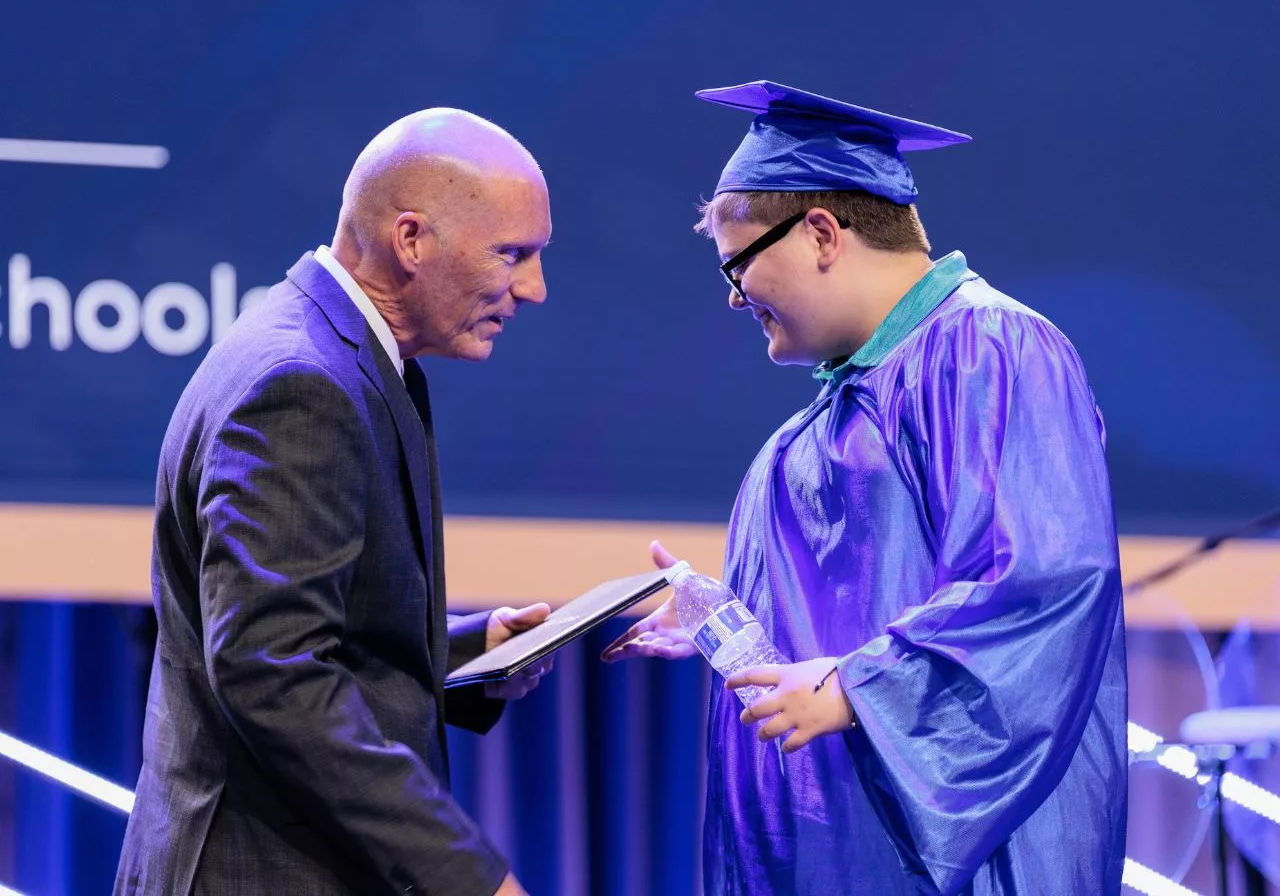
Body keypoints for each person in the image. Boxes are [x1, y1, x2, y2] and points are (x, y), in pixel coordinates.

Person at [604, 81, 1128, 895]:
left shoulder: (989, 350)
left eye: (739, 264)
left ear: (820, 233)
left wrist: (860, 684)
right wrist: (725, 616)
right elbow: (850, 618)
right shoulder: (822, 423)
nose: (734, 295)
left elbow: (1042, 583)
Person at [116, 108, 554, 896]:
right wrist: (469, 877)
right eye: (511, 254)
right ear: (411, 239)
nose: (533, 288)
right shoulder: (302, 385)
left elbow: (299, 632)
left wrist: (462, 647)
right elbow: (272, 673)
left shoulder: (339, 355)